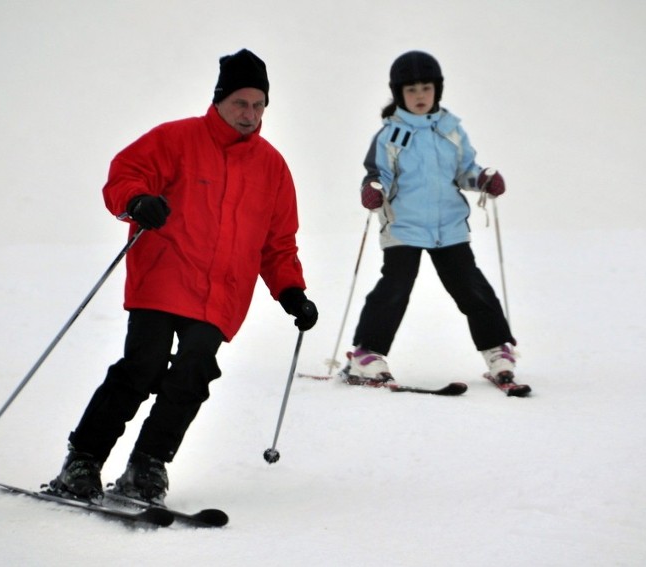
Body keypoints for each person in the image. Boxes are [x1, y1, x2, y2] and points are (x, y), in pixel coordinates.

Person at [50, 48, 318, 504]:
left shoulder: (272, 168)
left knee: (194, 371)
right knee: (143, 366)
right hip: (163, 278)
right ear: (218, 100)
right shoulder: (177, 140)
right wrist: (136, 201)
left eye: (258, 105)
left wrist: (291, 290)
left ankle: (147, 465)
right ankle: (83, 461)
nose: (249, 114)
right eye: (240, 103)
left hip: (221, 294)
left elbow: (278, 243)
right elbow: (125, 174)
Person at [345, 50, 516, 384]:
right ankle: (367, 354)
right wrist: (375, 189)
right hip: (404, 226)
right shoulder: (390, 135)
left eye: (426, 88)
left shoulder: (451, 130)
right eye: (411, 90)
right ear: (399, 94)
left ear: (437, 89)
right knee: (394, 288)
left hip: (448, 226)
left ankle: (497, 349)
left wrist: (482, 179)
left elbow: (464, 170)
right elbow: (379, 174)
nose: (419, 96)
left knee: (471, 287)